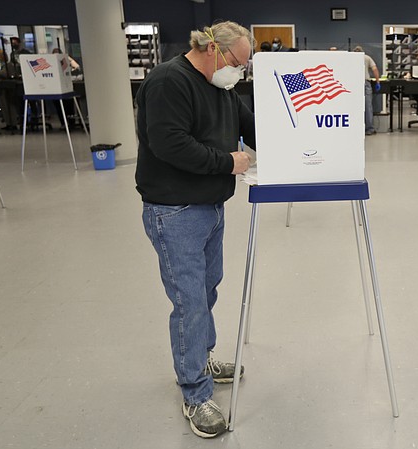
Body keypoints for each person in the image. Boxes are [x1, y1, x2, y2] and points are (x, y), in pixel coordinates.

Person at [135, 21, 255, 439]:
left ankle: (199, 358)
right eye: (238, 63)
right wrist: (229, 162)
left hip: (208, 204)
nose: (239, 73)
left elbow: (249, 124)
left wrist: (299, 147)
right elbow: (169, 143)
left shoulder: (220, 85)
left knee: (206, 290)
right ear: (213, 50)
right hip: (175, 209)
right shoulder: (169, 81)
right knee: (189, 301)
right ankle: (195, 393)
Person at [354, 45, 380, 135]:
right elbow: (375, 69)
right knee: (368, 106)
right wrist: (378, 82)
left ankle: (356, 128)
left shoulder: (351, 58)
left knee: (354, 106)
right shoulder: (367, 58)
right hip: (365, 83)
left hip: (354, 84)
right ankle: (369, 128)